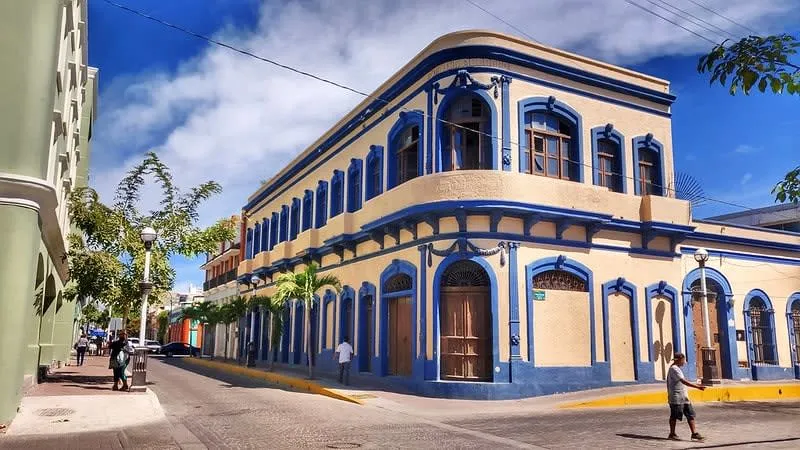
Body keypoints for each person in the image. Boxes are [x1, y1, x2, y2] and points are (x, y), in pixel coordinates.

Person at [667, 353, 706, 441]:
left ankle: (694, 433)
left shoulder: (677, 369)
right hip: (676, 397)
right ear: (678, 360)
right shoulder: (674, 369)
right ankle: (672, 433)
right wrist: (697, 387)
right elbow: (683, 381)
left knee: (690, 414)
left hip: (684, 397)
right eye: (683, 360)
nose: (684, 362)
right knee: (674, 415)